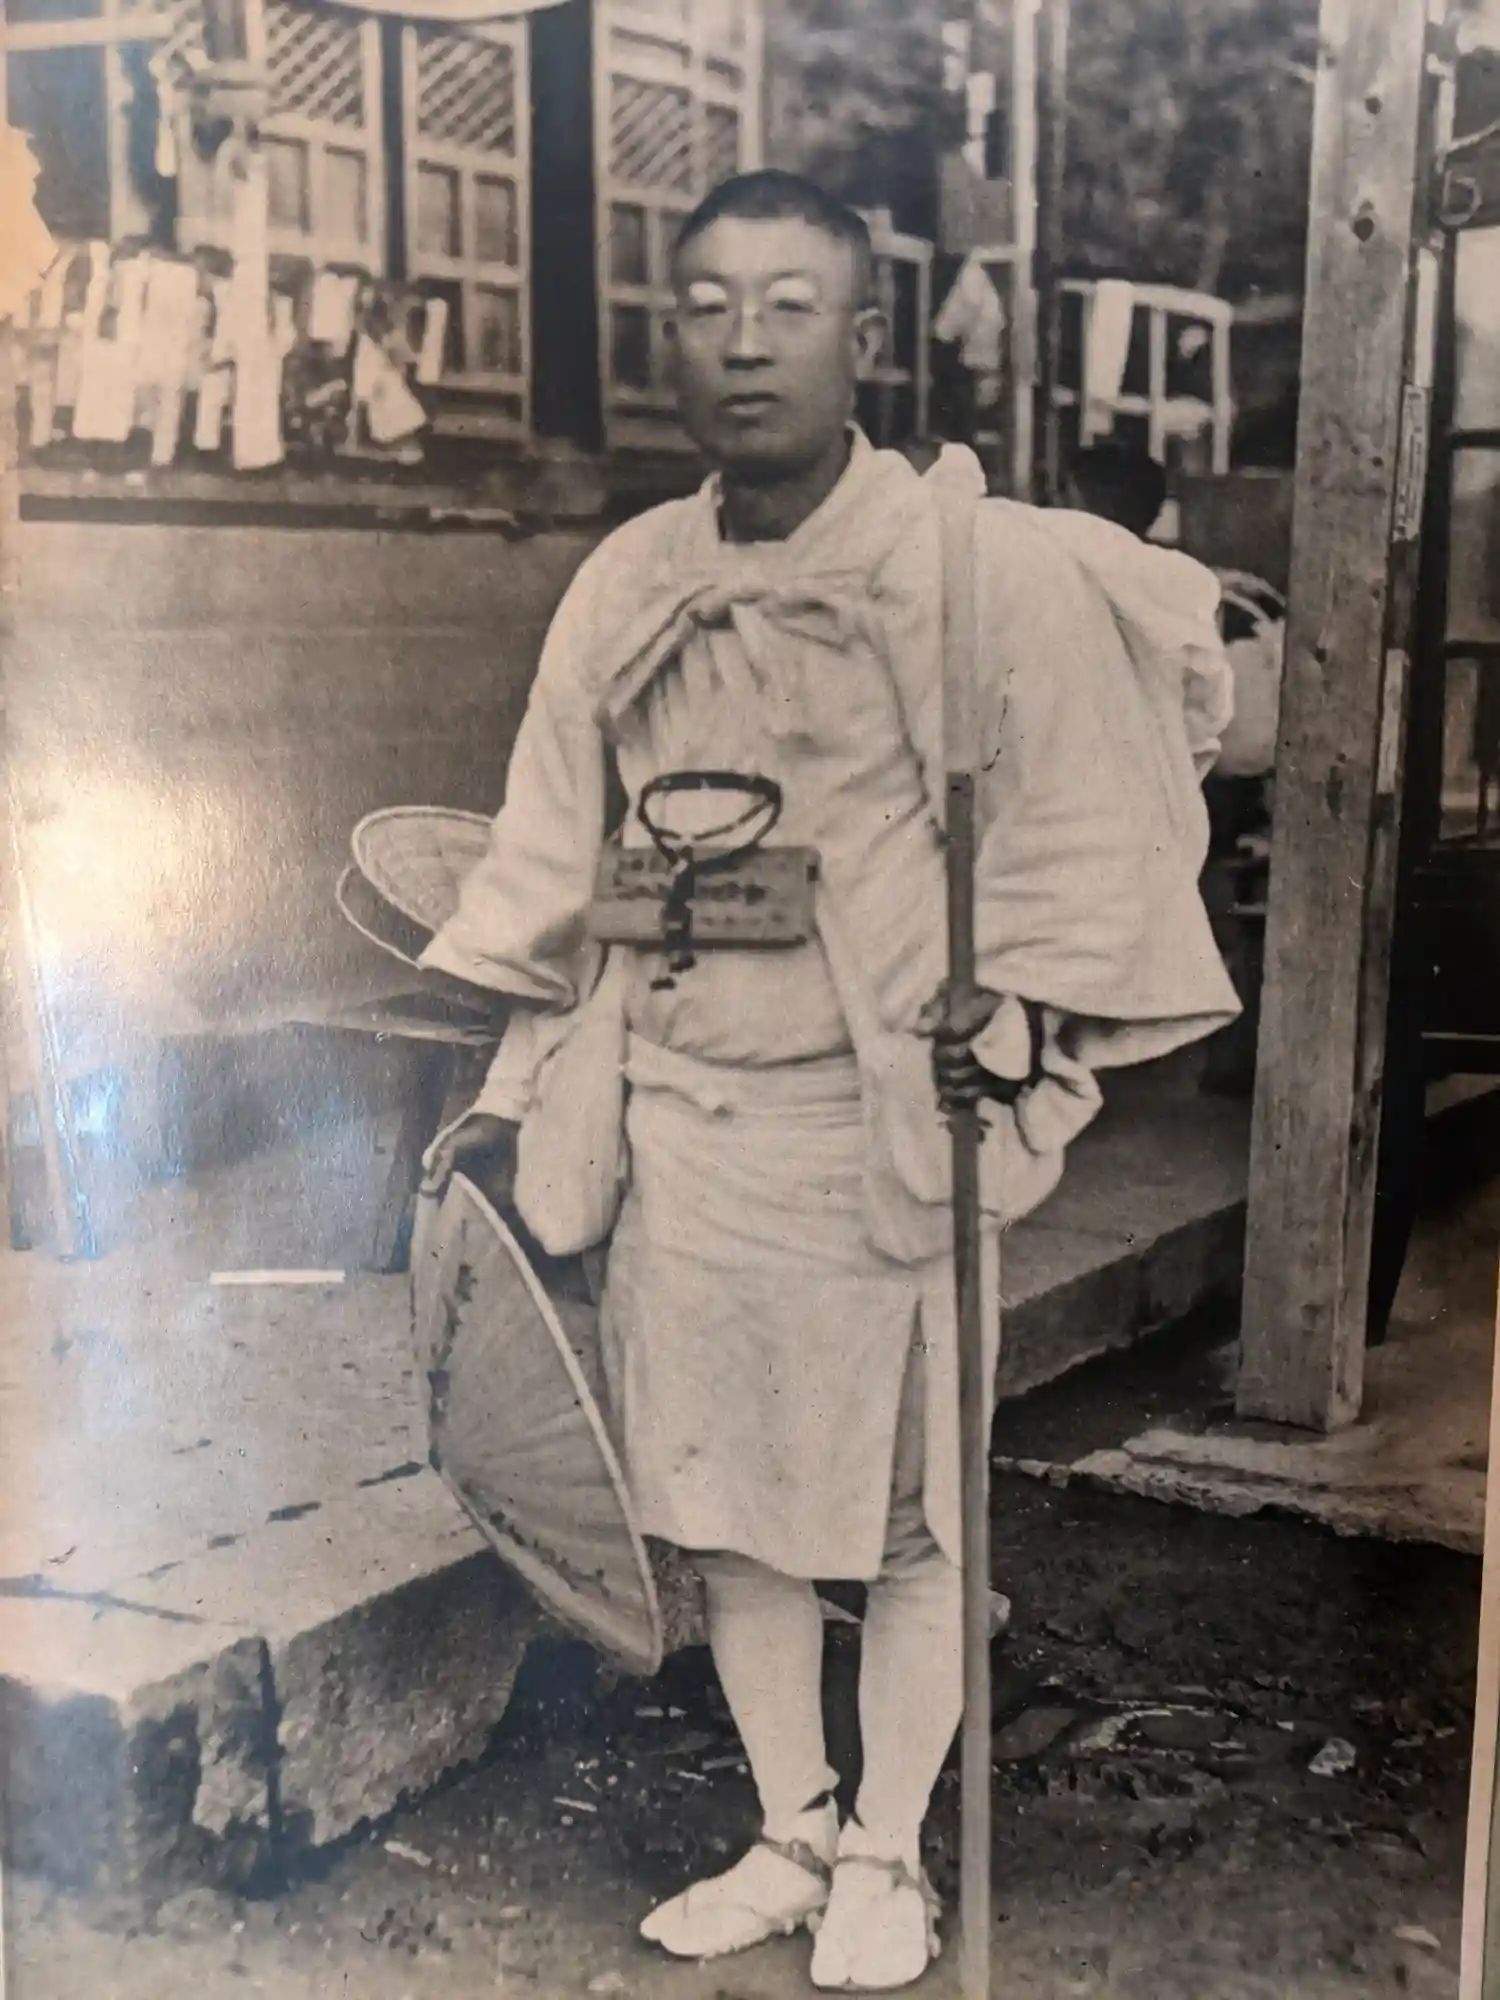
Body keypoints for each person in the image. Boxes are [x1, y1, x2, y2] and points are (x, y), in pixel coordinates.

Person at [419, 171, 1238, 1993]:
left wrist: (1010, 1008)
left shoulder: (965, 568)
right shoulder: (629, 580)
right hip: (684, 1122)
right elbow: (556, 850)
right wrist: (522, 1050)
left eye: (791, 308)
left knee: (913, 1515)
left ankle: (887, 1852)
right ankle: (792, 1829)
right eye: (710, 307)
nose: (747, 344)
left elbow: (1075, 818)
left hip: (876, 1126)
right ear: (671, 339)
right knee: (726, 1509)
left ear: (864, 339)